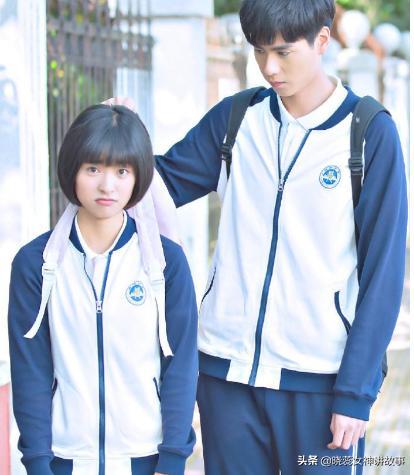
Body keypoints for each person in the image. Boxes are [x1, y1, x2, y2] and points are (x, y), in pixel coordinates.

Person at [8, 105, 198, 475]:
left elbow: (181, 365)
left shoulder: (165, 263)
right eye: (93, 168)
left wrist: (173, 460)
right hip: (64, 460)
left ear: (138, 176)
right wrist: (38, 464)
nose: (107, 185)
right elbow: (30, 370)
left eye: (122, 171)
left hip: (146, 459)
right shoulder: (36, 264)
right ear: (72, 170)